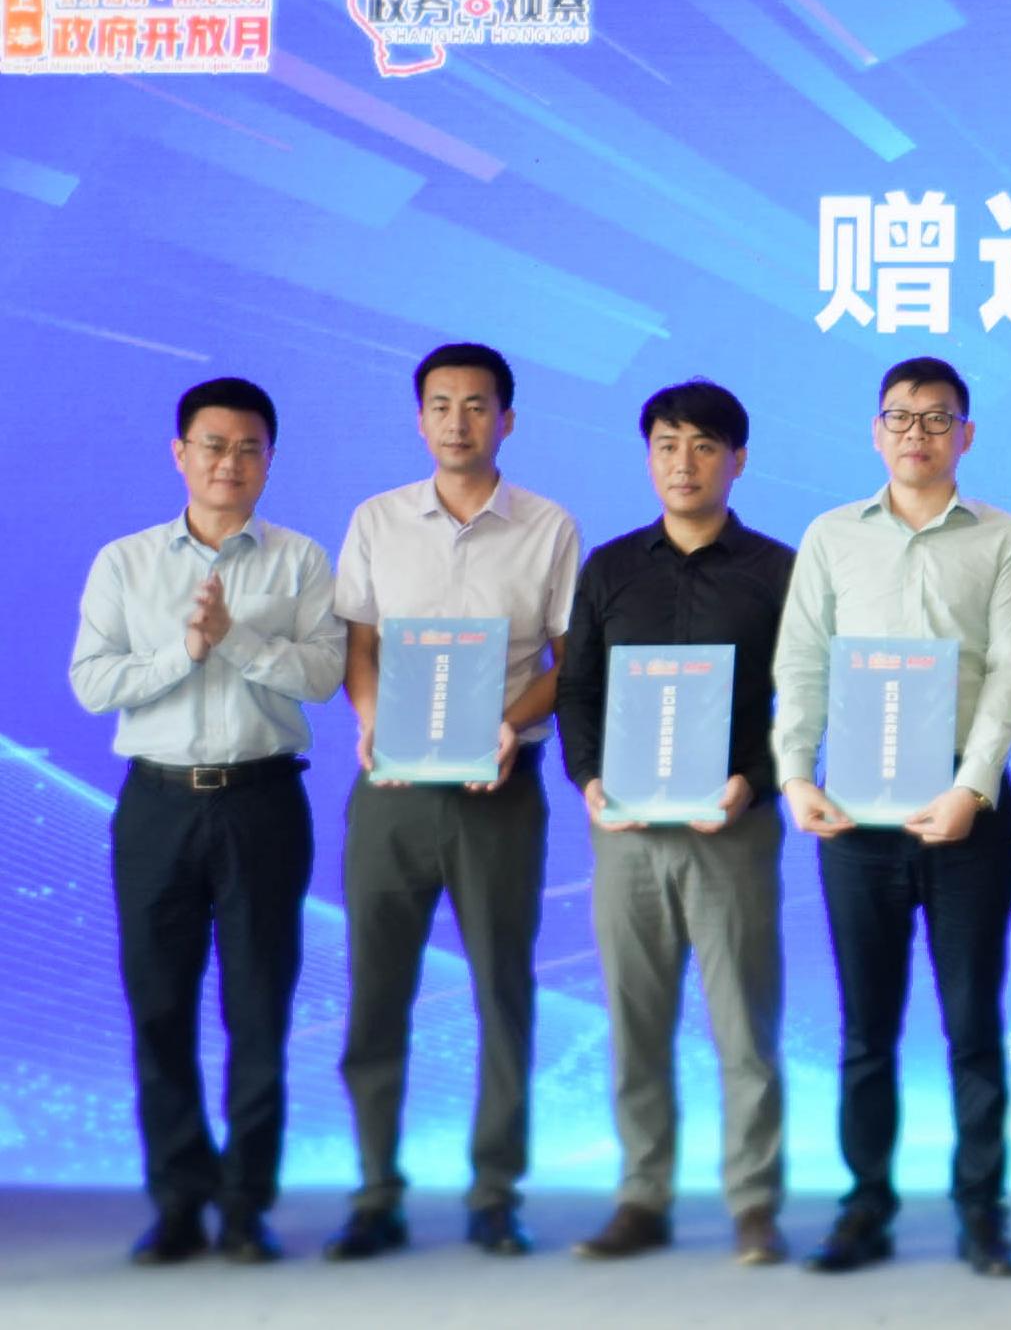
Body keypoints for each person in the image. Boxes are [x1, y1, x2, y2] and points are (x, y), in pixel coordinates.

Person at [771, 355, 1011, 1279]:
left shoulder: (1006, 539)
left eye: (936, 418)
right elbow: (802, 660)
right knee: (865, 1028)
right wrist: (793, 774)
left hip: (967, 817)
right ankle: (865, 1205)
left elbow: (1010, 673)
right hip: (853, 816)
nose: (916, 433)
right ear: (875, 431)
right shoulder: (831, 536)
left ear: (966, 434)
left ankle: (981, 1211)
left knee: (972, 1023)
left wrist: (971, 787)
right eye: (900, 417)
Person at [70, 377, 345, 1266]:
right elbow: (91, 682)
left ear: (270, 459)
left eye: (249, 448)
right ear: (180, 452)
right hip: (156, 805)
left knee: (259, 1009)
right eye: (213, 445)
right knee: (160, 1008)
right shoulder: (125, 562)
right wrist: (184, 651)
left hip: (263, 801)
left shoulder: (301, 560)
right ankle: (179, 1201)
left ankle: (244, 1205)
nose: (230, 462)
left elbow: (321, 677)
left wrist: (235, 641)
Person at [327, 343, 581, 1261]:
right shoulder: (377, 520)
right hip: (392, 790)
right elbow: (360, 646)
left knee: (502, 990)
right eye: (440, 404)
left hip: (498, 791)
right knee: (376, 991)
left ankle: (494, 1193)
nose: (458, 421)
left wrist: (506, 728)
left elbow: (568, 661)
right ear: (419, 417)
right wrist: (370, 720)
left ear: (507, 419)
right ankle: (374, 1192)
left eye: (477, 405)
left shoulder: (548, 527)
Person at [552, 380, 795, 1267]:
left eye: (703, 446)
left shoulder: (778, 571)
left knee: (744, 1028)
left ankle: (754, 1203)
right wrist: (587, 778)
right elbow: (577, 688)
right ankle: (642, 1197)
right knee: (636, 1023)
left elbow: (807, 697)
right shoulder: (610, 569)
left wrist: (752, 782)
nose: (682, 463)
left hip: (732, 830)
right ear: (648, 456)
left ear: (737, 460)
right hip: (627, 836)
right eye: (666, 444)